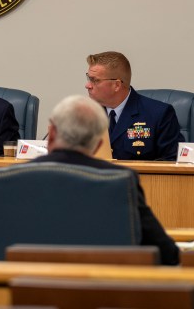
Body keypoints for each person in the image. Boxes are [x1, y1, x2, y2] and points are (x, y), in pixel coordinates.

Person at [32, 94, 180, 265]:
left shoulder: (9, 176)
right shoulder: (120, 180)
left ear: (51, 135)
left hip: (26, 285)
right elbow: (167, 253)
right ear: (99, 145)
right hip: (101, 286)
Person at [85, 51, 183, 161]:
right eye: (89, 78)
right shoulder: (86, 115)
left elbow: (173, 162)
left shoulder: (159, 114)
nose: (87, 85)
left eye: (95, 80)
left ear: (116, 85)